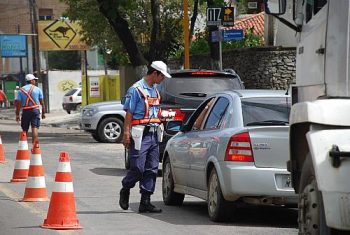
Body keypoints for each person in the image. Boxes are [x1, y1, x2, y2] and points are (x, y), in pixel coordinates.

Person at [119, 61, 171, 213]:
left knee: (152, 169)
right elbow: (129, 113)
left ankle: (145, 201)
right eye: (162, 76)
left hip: (154, 134)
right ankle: (126, 187)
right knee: (138, 167)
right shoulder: (136, 89)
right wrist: (126, 133)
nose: (163, 79)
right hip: (140, 135)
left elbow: (154, 111)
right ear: (155, 73)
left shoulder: (155, 90)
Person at [15, 74, 46, 144]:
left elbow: (18, 104)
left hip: (25, 111)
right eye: (34, 80)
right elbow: (42, 103)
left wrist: (17, 114)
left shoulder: (20, 90)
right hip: (35, 110)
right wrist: (43, 113)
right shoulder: (37, 89)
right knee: (34, 127)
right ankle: (34, 146)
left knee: (24, 129)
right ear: (31, 81)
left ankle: (23, 146)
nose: (35, 81)